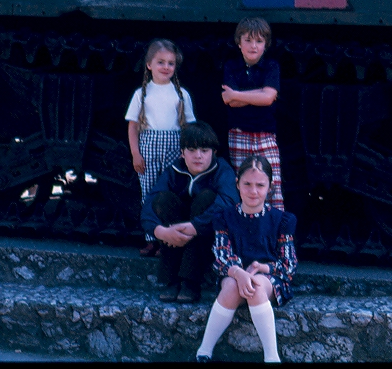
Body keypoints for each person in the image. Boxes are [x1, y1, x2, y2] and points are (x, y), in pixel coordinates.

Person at [196, 155, 298, 363]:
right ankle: (204, 350)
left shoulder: (282, 220)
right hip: (233, 275)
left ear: (269, 187)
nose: (253, 191)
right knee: (233, 286)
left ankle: (272, 356)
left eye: (260, 185)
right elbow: (221, 256)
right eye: (247, 184)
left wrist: (262, 267)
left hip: (269, 278)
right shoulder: (224, 217)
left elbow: (289, 265)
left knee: (257, 285)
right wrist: (239, 272)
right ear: (237, 184)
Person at [141, 121, 240, 303]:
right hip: (177, 231)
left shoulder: (222, 170)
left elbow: (228, 202)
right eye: (192, 150)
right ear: (182, 152)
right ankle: (172, 280)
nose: (198, 156)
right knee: (163, 199)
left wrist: (195, 226)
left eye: (204, 150)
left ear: (214, 152)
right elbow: (149, 202)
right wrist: (159, 231)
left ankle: (190, 281)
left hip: (205, 236)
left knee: (207, 198)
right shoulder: (174, 170)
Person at [126, 39, 197, 257]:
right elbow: (133, 125)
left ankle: (169, 238)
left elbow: (189, 126)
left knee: (170, 191)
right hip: (149, 145)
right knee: (148, 192)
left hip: (174, 145)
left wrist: (188, 152)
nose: (166, 67)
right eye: (160, 62)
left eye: (171, 63)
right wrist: (135, 153)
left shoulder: (181, 94)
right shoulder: (142, 94)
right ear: (149, 65)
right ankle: (151, 238)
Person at [221, 16, 284, 211]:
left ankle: (279, 235)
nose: (253, 46)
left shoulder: (271, 67)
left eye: (259, 41)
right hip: (238, 134)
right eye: (248, 40)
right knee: (243, 185)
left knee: (272, 185)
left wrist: (238, 94)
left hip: (265, 135)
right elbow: (227, 99)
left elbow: (268, 98)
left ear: (266, 44)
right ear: (239, 43)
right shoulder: (231, 67)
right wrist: (259, 94)